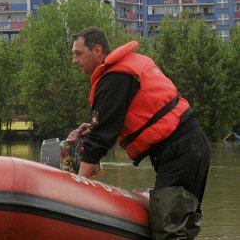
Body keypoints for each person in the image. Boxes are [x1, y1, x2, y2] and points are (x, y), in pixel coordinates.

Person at [71, 27, 210, 239]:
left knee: (168, 230)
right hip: (190, 145)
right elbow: (131, 115)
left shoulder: (114, 78)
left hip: (180, 151)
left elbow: (100, 140)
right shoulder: (125, 70)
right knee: (182, 226)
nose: (74, 60)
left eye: (78, 53)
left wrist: (78, 183)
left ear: (97, 50)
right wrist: (95, 127)